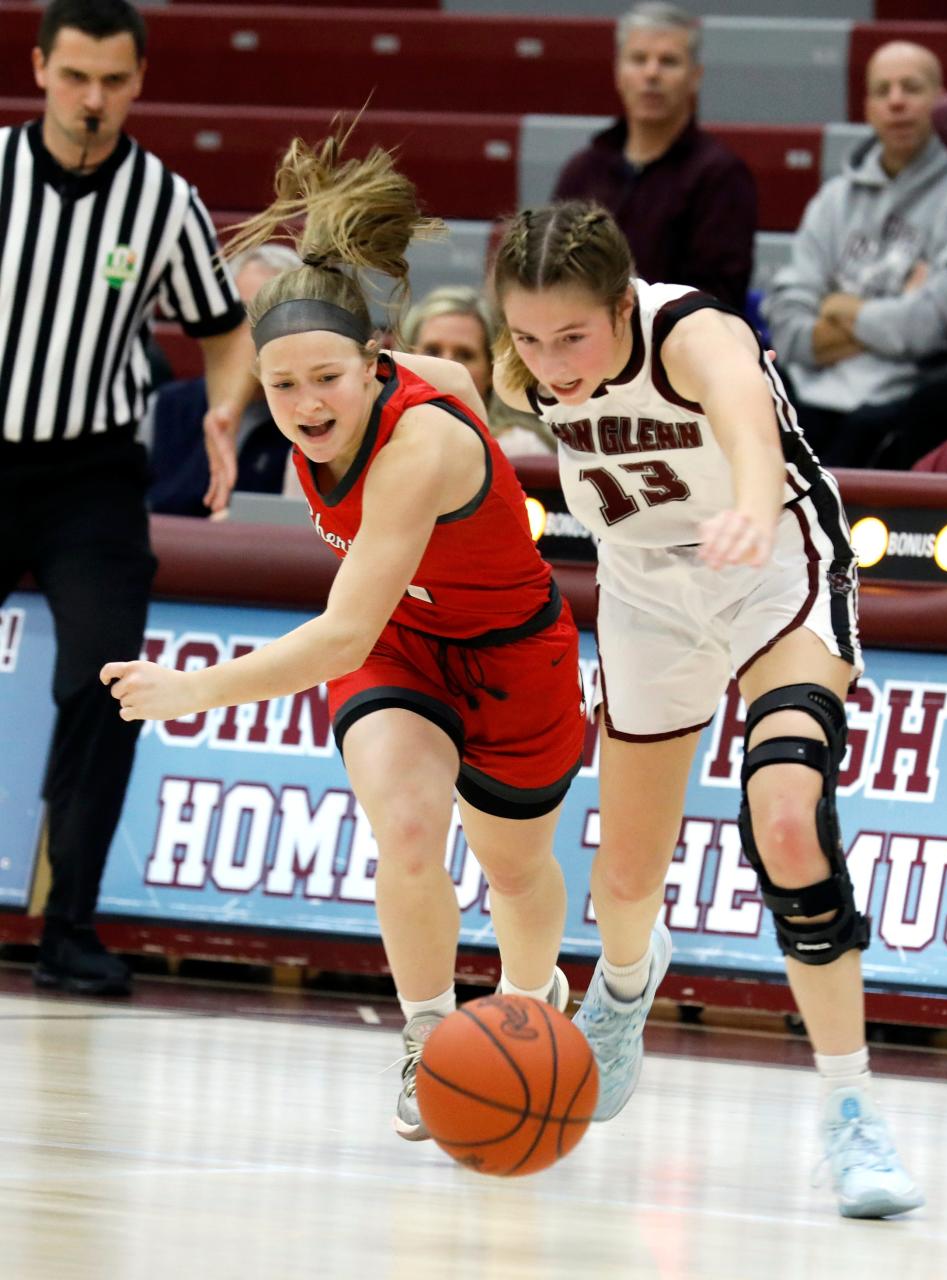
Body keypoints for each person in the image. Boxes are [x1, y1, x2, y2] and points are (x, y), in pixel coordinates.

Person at [99, 131, 586, 1140]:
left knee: (515, 871)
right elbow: (361, 633)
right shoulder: (325, 381)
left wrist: (190, 689)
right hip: (400, 645)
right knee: (406, 826)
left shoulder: (418, 444)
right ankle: (429, 1037)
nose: (308, 404)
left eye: (328, 378)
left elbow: (332, 632)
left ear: (372, 368)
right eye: (284, 387)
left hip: (509, 652)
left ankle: (534, 1001)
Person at [488, 198, 924, 1220]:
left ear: (620, 302)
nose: (551, 362)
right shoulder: (524, 366)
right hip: (645, 592)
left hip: (774, 574)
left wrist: (751, 497)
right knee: (626, 877)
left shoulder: (692, 331)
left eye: (573, 336)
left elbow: (743, 418)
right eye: (529, 337)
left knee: (787, 819)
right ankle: (629, 986)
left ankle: (855, 1112)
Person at [0, 0, 256, 996]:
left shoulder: (165, 201)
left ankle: (69, 925)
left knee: (107, 684)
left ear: (139, 80)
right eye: (73, 77)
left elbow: (223, 329)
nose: (92, 99)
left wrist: (225, 412)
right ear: (38, 68)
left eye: (111, 80)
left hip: (91, 475)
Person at [766, 41, 947, 470]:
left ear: (939, 100)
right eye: (882, 90)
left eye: (911, 87)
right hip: (813, 389)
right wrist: (891, 315)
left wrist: (839, 307)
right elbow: (786, 320)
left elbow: (933, 328)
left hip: (905, 394)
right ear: (867, 107)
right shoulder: (834, 199)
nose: (896, 101)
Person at [551, 2, 756, 313]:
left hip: (675, 349)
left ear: (695, 77)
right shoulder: (582, 171)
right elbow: (550, 271)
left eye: (668, 61)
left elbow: (716, 298)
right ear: (618, 72)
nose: (651, 73)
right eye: (638, 59)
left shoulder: (720, 175)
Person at [142, 244, 302, 516]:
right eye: (243, 312)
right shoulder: (166, 407)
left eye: (271, 315)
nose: (255, 331)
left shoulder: (313, 422)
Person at [400, 285, 554, 458]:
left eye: (465, 355)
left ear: (492, 372)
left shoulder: (520, 448)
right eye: (432, 351)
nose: (445, 365)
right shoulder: (380, 436)